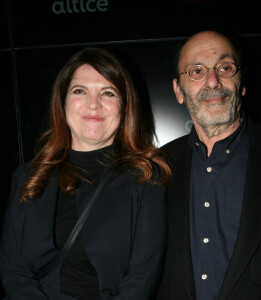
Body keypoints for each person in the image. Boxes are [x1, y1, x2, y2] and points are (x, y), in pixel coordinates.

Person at [0, 47, 171, 300]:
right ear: (62, 103)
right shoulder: (28, 177)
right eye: (80, 91)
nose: (93, 104)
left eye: (108, 93)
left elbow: (142, 278)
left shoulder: (146, 179)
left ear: (124, 109)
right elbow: (13, 271)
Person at [156, 30, 261, 300]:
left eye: (225, 67)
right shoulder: (155, 168)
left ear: (241, 82)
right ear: (178, 90)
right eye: (196, 71)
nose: (213, 81)